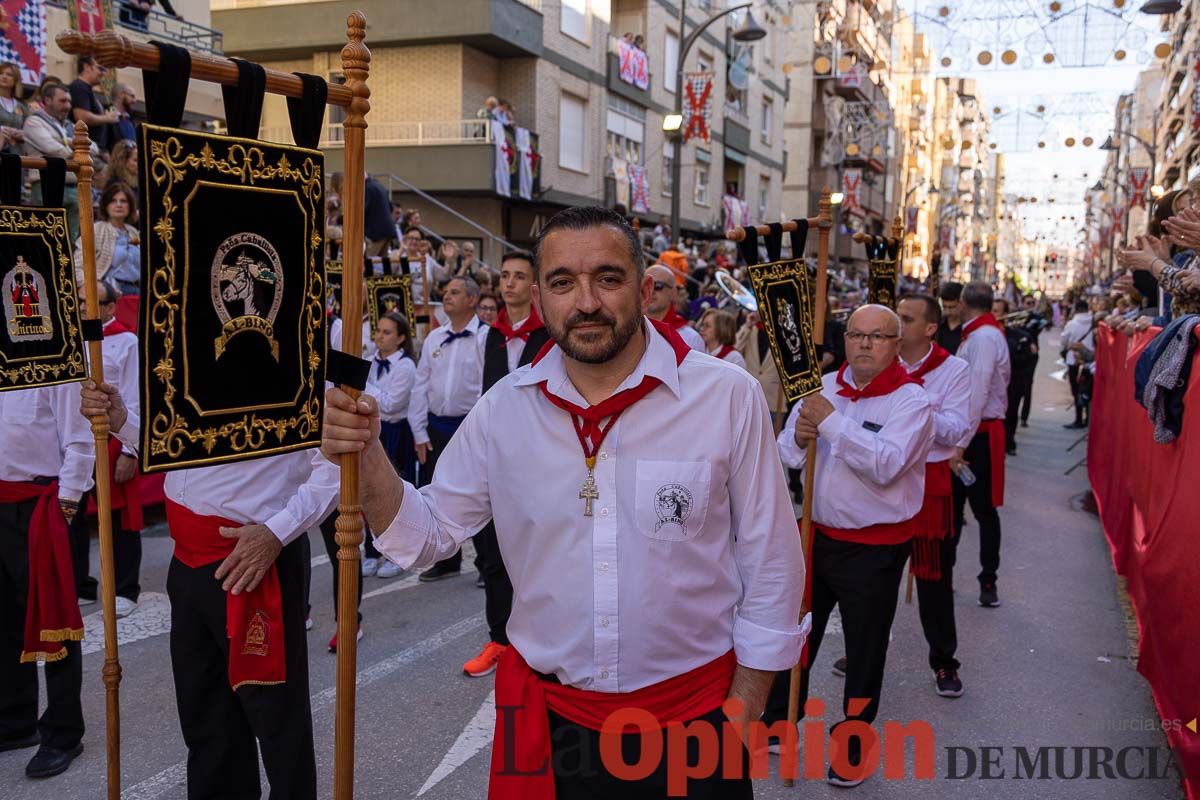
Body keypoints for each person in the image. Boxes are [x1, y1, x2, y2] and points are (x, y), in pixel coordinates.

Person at [320, 205, 805, 797]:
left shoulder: (727, 397)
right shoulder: (504, 409)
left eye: (607, 277)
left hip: (696, 719)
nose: (587, 302)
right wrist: (367, 452)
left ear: (645, 288)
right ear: (540, 299)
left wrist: (744, 710)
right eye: (562, 283)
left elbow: (772, 562)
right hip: (553, 728)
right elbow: (427, 538)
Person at [80, 381, 338, 800]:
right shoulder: (187, 352)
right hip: (187, 560)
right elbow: (179, 444)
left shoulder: (302, 360)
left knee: (276, 721)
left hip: (255, 559)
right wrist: (123, 423)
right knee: (206, 718)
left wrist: (276, 532)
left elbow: (336, 466)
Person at [769, 304, 932, 787]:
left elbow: (886, 465)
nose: (863, 343)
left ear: (895, 345)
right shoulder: (821, 391)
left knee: (864, 648)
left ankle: (853, 743)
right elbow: (785, 456)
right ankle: (780, 718)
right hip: (815, 535)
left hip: (875, 547)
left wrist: (832, 424)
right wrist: (799, 437)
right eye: (856, 335)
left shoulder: (912, 402)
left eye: (877, 336)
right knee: (797, 633)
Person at [462, 251, 553, 678]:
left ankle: (541, 637)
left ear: (533, 287)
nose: (510, 283)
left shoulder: (549, 334)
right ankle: (499, 638)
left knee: (540, 551)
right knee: (493, 553)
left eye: (519, 276)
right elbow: (482, 393)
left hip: (539, 455)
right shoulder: (488, 336)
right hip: (497, 453)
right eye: (505, 276)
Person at [1, 381, 92, 779]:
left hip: (41, 506)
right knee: (4, 619)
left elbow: (80, 439)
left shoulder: (55, 367)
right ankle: (14, 720)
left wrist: (67, 505)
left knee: (55, 622)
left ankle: (63, 731)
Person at [896, 295, 972, 698]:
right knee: (874, 577)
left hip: (929, 482)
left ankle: (944, 661)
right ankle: (862, 652)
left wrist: (910, 406)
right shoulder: (881, 361)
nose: (897, 323)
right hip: (883, 478)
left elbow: (957, 429)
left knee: (934, 580)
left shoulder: (954, 369)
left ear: (929, 328)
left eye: (906, 319)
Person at [69, 280, 142, 617]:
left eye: (91, 303)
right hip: (72, 438)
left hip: (112, 438)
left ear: (112, 307)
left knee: (117, 517)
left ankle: (126, 588)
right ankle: (80, 584)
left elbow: (133, 394)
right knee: (70, 512)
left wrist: (129, 452)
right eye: (80, 303)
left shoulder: (127, 342)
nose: (84, 309)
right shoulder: (70, 342)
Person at [407, 276, 487, 582]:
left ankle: (485, 563)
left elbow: (486, 387)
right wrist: (419, 432)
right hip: (436, 428)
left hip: (470, 427)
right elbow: (420, 386)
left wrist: (476, 430)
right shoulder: (433, 338)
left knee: (480, 496)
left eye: (454, 292)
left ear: (471, 299)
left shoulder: (485, 337)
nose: (447, 296)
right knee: (439, 496)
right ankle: (447, 561)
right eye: (446, 292)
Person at [950, 281, 1011, 608]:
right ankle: (947, 572)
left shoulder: (985, 337)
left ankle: (989, 579)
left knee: (984, 510)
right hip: (971, 433)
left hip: (979, 436)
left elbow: (977, 393)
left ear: (964, 302)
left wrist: (960, 443)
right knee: (955, 507)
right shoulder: (977, 334)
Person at [362, 311, 418, 583]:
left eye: (386, 333)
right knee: (368, 491)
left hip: (394, 432)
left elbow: (392, 404)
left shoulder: (405, 366)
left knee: (393, 494)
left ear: (401, 338)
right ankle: (372, 552)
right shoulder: (371, 361)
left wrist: (363, 384)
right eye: (378, 331)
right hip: (373, 429)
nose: (379, 337)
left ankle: (397, 554)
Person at [22, 83, 86, 241]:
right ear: (47, 100)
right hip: (46, 185)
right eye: (62, 101)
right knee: (45, 240)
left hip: (74, 187)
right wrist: (76, 149)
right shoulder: (33, 122)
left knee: (72, 244)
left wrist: (71, 145)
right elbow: (53, 150)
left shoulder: (70, 125)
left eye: (69, 101)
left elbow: (94, 148)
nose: (68, 106)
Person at [73, 182, 140, 295]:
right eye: (113, 201)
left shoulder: (133, 232)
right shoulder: (95, 230)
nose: (118, 205)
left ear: (130, 206)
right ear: (106, 205)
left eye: (123, 201)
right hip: (112, 293)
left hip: (138, 291)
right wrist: (94, 289)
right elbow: (77, 266)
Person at [735, 309, 787, 423]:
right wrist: (747, 326)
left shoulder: (784, 333)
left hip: (773, 401)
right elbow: (735, 348)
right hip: (748, 398)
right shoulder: (750, 330)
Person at [645, 263, 704, 351]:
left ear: (672, 293)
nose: (651, 291)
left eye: (657, 286)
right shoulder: (629, 331)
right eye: (646, 286)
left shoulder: (691, 339)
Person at [68, 57, 115, 159]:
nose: (104, 73)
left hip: (96, 151)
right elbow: (82, 117)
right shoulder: (79, 87)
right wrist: (107, 118)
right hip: (87, 151)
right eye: (101, 69)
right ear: (87, 67)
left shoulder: (87, 90)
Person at [1014, 294, 1048, 428]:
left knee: (1028, 385)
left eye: (1031, 303)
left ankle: (1024, 417)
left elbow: (1045, 323)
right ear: (1022, 303)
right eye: (1027, 303)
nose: (1029, 306)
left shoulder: (1036, 318)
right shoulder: (1017, 317)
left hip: (1031, 354)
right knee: (1015, 385)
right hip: (1017, 352)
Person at [1060, 299, 1095, 430]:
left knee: (1076, 390)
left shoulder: (1072, 324)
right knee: (1087, 389)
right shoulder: (1094, 321)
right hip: (1090, 359)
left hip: (1074, 359)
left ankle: (1079, 418)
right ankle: (1087, 418)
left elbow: (1064, 340)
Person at [363, 172, 394, 273]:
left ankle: (368, 288)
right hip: (387, 229)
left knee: (367, 265)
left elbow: (363, 210)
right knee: (384, 265)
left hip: (376, 232)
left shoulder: (367, 188)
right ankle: (385, 287)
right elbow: (391, 207)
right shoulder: (379, 186)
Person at [0, 62, 29, 155]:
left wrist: (21, 133)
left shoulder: (22, 106)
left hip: (16, 153)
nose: (4, 76)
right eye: (1, 73)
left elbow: (29, 130)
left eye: (9, 75)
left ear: (15, 80)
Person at [936, 281, 965, 354]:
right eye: (944, 307)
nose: (947, 312)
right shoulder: (938, 324)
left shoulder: (968, 327)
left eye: (952, 307)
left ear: (962, 303)